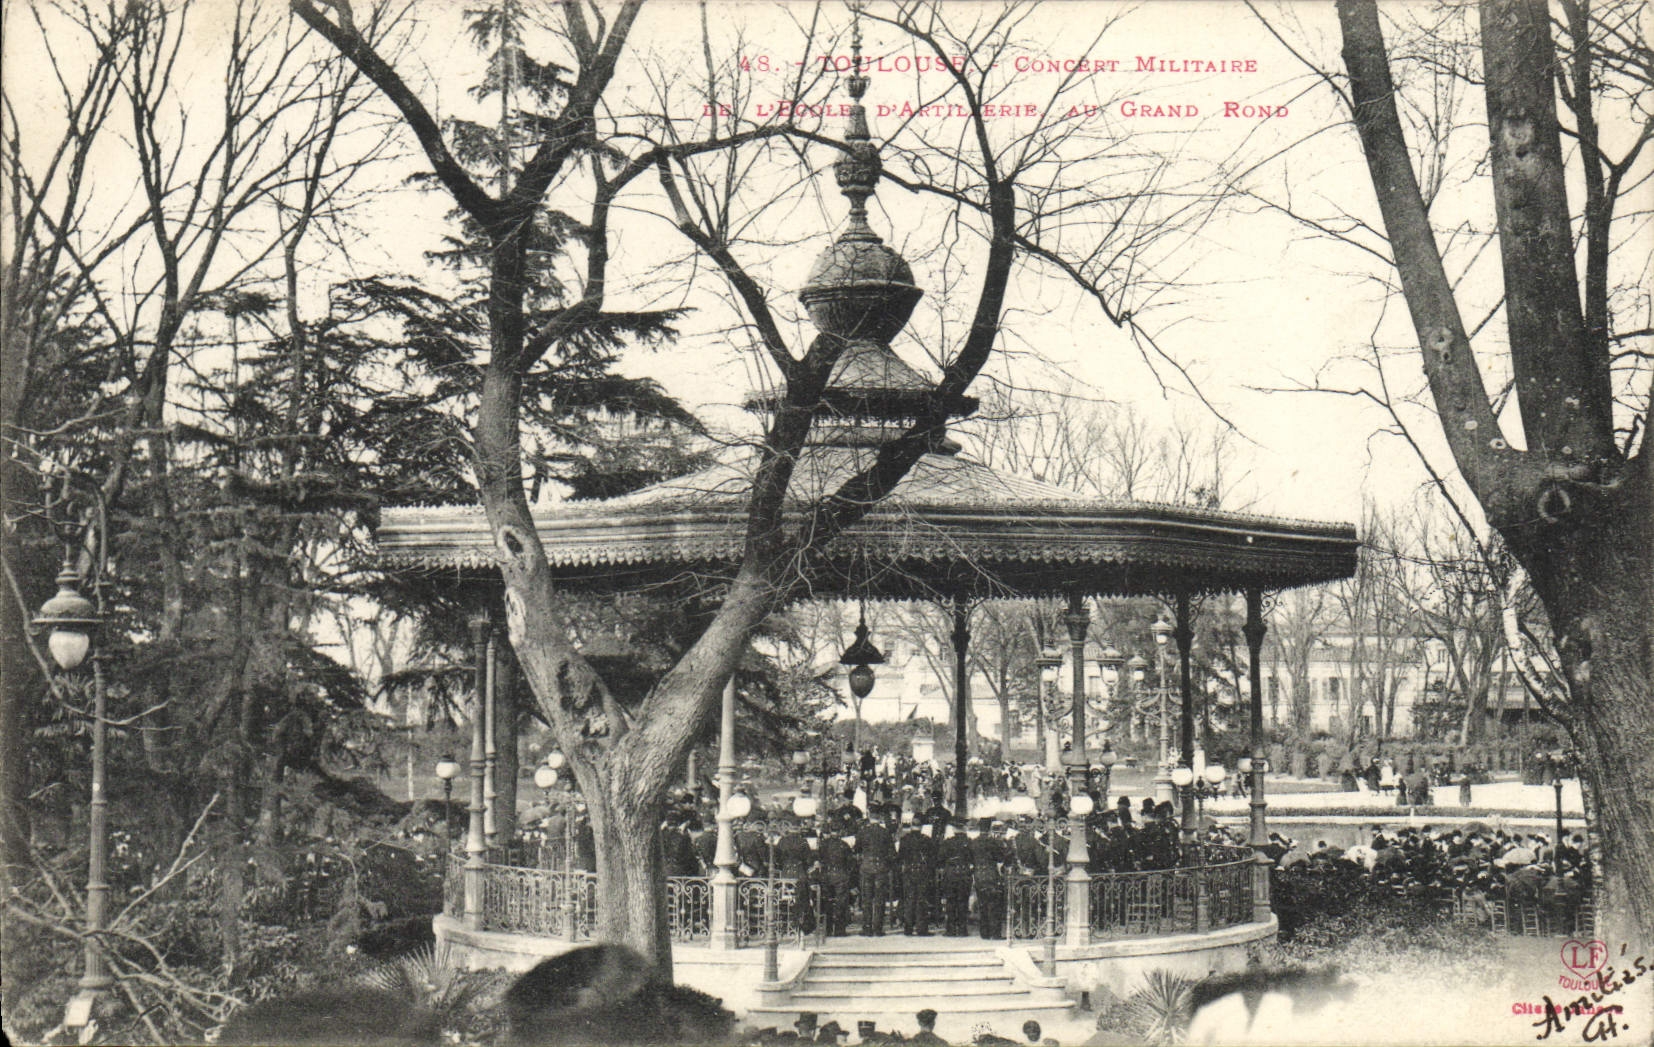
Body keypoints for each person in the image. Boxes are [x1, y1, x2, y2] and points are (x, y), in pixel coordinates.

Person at [857, 808, 896, 935]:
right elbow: (892, 852)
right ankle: (878, 928)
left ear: (869, 817)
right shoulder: (885, 832)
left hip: (867, 866)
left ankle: (867, 928)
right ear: (879, 818)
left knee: (867, 898)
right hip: (881, 867)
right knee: (880, 898)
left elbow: (857, 848)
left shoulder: (863, 832)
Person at [938, 824, 974, 935]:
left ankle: (951, 929)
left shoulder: (947, 842)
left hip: (951, 873)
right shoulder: (969, 842)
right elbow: (973, 858)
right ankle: (963, 929)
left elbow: (940, 858)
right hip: (964, 873)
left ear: (953, 830)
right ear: (964, 829)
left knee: (951, 901)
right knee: (963, 901)